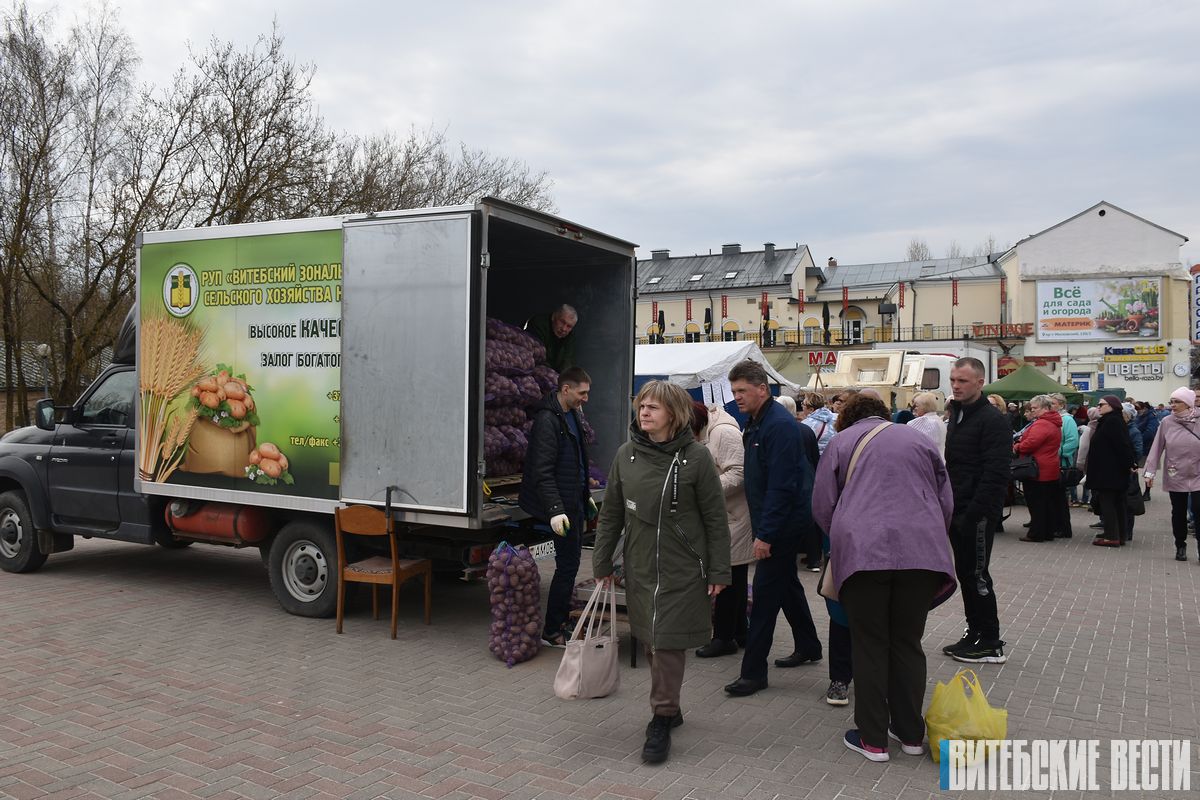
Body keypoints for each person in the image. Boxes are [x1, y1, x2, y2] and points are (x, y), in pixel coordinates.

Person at [811, 393, 956, 762]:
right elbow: (945, 500)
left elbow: (822, 504)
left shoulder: (841, 442)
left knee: (870, 643)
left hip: (864, 555)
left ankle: (873, 739)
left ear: (848, 418)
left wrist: (845, 536)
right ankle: (910, 734)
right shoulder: (918, 439)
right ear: (884, 413)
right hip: (922, 553)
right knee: (908, 643)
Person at [592, 381, 731, 764]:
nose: (644, 413)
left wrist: (719, 569)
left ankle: (661, 716)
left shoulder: (697, 458)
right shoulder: (626, 455)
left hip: (683, 566)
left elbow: (716, 520)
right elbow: (612, 514)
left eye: (653, 407)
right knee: (653, 639)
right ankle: (670, 704)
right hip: (639, 564)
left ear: (674, 413)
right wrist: (602, 561)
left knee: (667, 641)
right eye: (641, 407)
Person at [722, 360, 823, 698]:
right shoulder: (758, 421)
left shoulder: (778, 426)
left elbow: (783, 485)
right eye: (734, 391)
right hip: (778, 520)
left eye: (742, 391)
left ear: (762, 389)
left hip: (781, 526)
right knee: (788, 586)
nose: (737, 397)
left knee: (764, 597)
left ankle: (753, 673)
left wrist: (765, 534)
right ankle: (809, 645)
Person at [942, 357, 1012, 665]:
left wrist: (974, 515)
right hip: (958, 508)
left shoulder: (991, 420)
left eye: (963, 381)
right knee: (966, 574)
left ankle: (991, 642)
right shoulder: (958, 414)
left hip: (978, 513)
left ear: (980, 383)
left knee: (978, 576)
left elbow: (995, 474)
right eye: (954, 380)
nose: (956, 386)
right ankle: (975, 632)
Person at [518, 366, 593, 647]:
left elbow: (577, 459)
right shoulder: (548, 421)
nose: (585, 398)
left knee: (570, 564)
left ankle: (559, 621)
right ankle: (552, 629)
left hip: (572, 500)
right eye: (582, 393)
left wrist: (585, 494)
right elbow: (542, 470)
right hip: (560, 505)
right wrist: (554, 509)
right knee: (568, 564)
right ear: (566, 389)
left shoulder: (572, 414)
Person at [692, 401, 754, 658]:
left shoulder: (723, 432)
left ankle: (723, 638)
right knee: (734, 577)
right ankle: (739, 633)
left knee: (727, 575)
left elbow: (739, 472)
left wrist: (703, 487)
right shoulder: (707, 430)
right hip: (726, 514)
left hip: (735, 515)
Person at [1143, 387, 1200, 562]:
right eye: (1172, 402)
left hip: (1198, 473)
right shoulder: (1167, 422)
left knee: (1199, 512)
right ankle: (1180, 545)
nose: (1173, 405)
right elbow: (1156, 447)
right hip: (1176, 473)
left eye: (1177, 402)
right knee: (1179, 512)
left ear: (1188, 403)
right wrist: (1149, 472)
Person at [1086, 396, 1137, 547]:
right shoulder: (1110, 420)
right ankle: (1119, 535)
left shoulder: (1112, 421)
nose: (1098, 407)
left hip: (1109, 472)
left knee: (1109, 503)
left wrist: (1129, 463)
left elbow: (1122, 445)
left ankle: (1111, 536)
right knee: (1116, 503)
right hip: (1111, 471)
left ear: (1112, 406)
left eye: (1101, 404)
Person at [1015, 395, 1063, 545]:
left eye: (1035, 408)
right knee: (1046, 503)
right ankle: (1047, 531)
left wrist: (1016, 446)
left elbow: (1030, 444)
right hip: (1049, 467)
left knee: (1036, 503)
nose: (1032, 410)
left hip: (1038, 469)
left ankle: (1036, 533)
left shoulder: (1042, 424)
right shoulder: (1053, 422)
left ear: (1045, 408)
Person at [1049, 393, 1078, 538]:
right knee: (1053, 497)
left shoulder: (1067, 420)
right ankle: (1054, 524)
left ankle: (1063, 527)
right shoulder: (1052, 419)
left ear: (1061, 404)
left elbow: (1072, 441)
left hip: (1061, 463)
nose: (1051, 406)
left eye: (1053, 403)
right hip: (1052, 462)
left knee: (1060, 498)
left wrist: (1056, 452)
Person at [524, 304, 578, 372]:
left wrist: (565, 377)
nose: (564, 329)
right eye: (562, 322)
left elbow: (568, 361)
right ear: (553, 317)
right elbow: (537, 356)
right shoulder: (538, 324)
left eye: (569, 326)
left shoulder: (570, 336)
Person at [906, 392, 945, 457]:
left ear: (925, 407)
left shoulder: (922, 422)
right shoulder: (939, 420)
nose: (915, 408)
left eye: (917, 406)